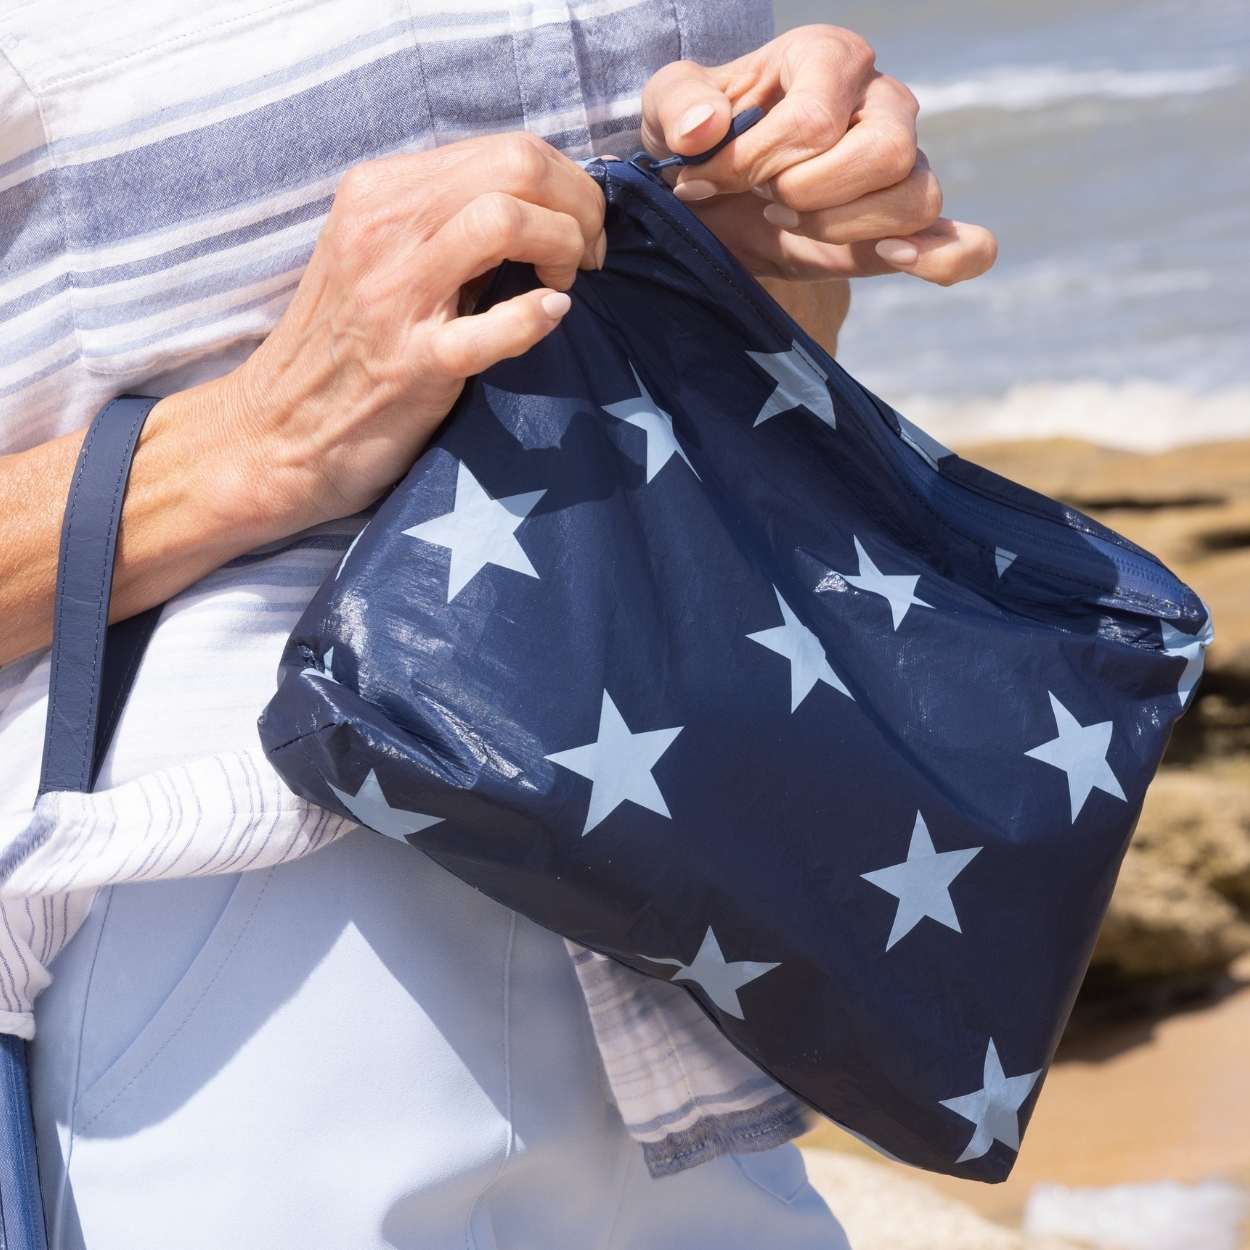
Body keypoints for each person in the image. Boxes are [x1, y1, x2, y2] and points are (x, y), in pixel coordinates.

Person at [0, 3, 996, 1245]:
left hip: (702, 899)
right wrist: (262, 436)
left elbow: (760, 358)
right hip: (235, 927)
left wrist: (782, 218)